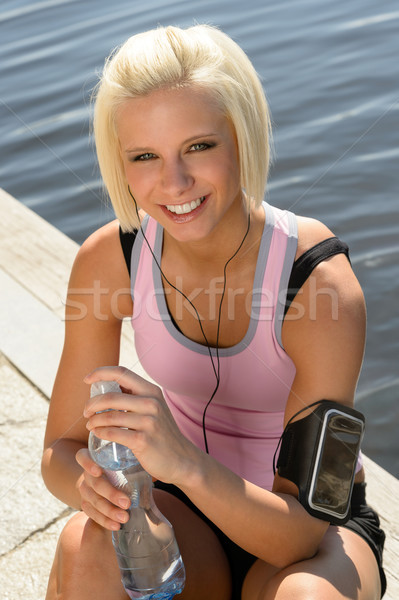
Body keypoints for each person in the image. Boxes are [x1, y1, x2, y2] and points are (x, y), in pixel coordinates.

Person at [41, 24, 386, 600]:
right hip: (181, 511)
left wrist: (183, 461)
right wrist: (97, 486)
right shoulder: (112, 258)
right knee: (86, 547)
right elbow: (60, 451)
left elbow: (298, 534)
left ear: (240, 137)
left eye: (198, 146)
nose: (173, 183)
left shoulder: (319, 282)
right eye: (144, 156)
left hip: (308, 530)